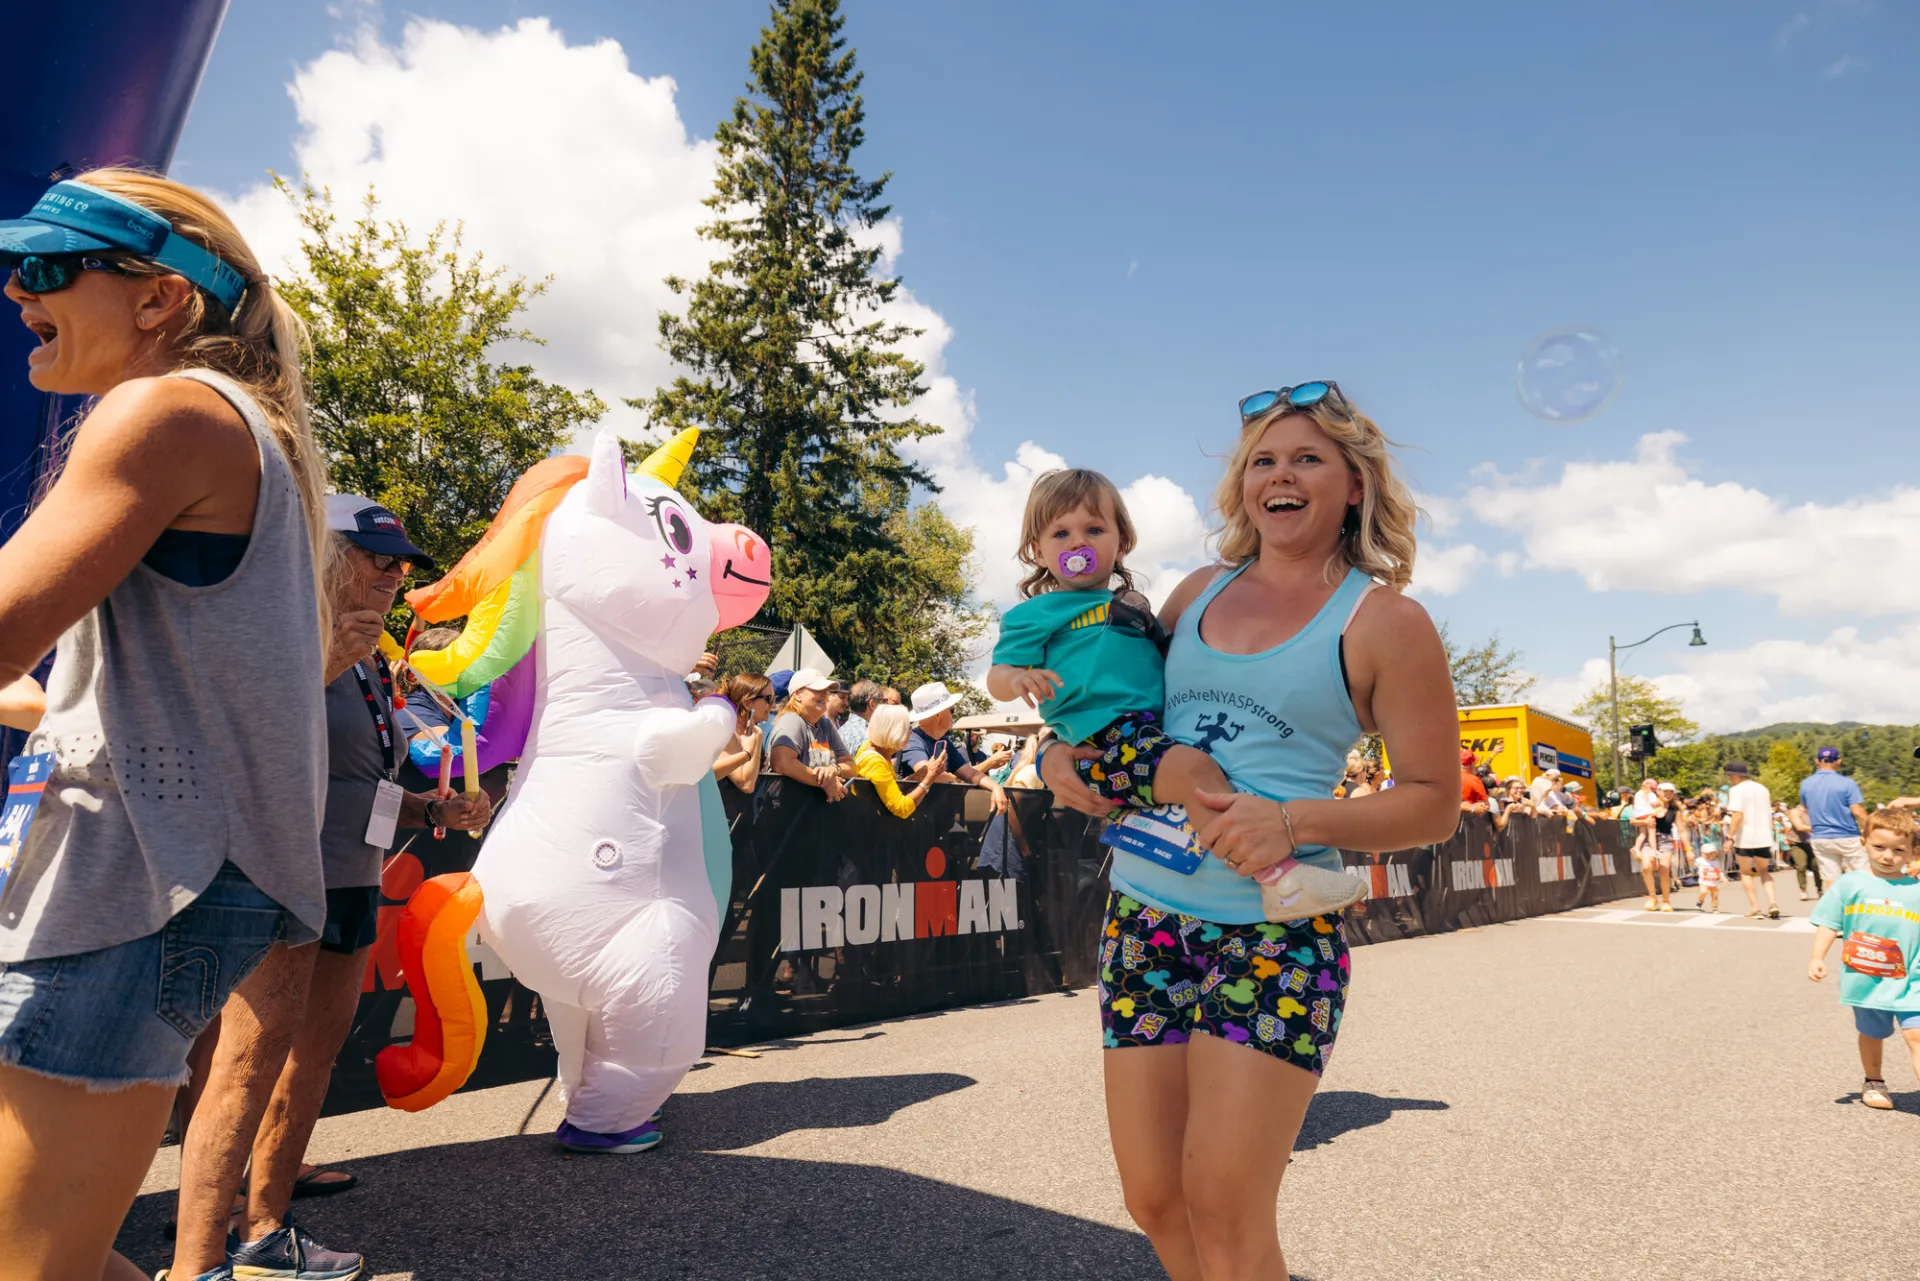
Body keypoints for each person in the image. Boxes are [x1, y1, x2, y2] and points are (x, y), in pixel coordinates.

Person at [1038, 379, 1458, 1279]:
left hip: (1276, 934)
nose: (1282, 474)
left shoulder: (1386, 619)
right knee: (1153, 1198)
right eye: (1263, 460)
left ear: (1355, 484)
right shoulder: (1193, 593)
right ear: (1242, 486)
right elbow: (1106, 706)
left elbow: (1433, 800)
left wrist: (1294, 818)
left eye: (1308, 457)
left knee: (1226, 1205)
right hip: (1145, 918)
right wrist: (1051, 757)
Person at [0, 169, 333, 1281]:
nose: (14, 288)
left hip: (135, 884)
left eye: (48, 267)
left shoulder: (170, 410)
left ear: (159, 300)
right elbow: (143, 694)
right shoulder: (228, 428)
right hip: (145, 878)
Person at [190, 499, 494, 1276]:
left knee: (314, 1053)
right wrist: (326, 655)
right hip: (280, 875)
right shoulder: (284, 627)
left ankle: (263, 1228)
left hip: (351, 875)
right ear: (324, 556)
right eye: (378, 557)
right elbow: (235, 732)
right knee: (246, 1058)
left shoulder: (368, 653)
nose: (395, 575)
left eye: (402, 564)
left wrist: (434, 807)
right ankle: (200, 1252)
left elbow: (366, 778)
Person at [988, 467, 1361, 919]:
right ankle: (1278, 878)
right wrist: (1019, 683)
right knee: (1192, 771)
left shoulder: (1132, 608)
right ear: (1037, 550)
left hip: (1150, 729)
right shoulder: (1037, 613)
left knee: (1197, 771)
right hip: (1103, 735)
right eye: (1060, 532)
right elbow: (998, 674)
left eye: (1094, 529)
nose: (1077, 544)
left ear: (1121, 541)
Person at [1806, 809, 1920, 1110]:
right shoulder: (1849, 884)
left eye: (1899, 850)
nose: (1888, 856)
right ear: (1863, 842)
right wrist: (1817, 956)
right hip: (1867, 978)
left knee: (1917, 1034)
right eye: (1879, 847)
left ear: (1913, 852)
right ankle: (1874, 1081)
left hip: (1912, 978)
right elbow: (1830, 923)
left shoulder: (1916, 888)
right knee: (1872, 1033)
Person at [899, 682, 1008, 815]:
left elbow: (971, 773)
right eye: (952, 710)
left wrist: (995, 787)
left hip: (938, 818)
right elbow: (925, 771)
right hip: (915, 821)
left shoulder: (944, 741)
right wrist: (955, 779)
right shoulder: (913, 740)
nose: (953, 715)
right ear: (938, 715)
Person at [767, 668, 856, 801]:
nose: (825, 694)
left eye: (826, 690)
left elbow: (851, 766)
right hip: (787, 814)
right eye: (817, 690)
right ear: (797, 694)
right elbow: (781, 762)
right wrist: (825, 782)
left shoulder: (825, 724)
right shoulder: (792, 720)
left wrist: (833, 770)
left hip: (815, 814)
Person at [852, 704, 942, 817]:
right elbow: (901, 808)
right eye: (907, 728)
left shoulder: (874, 749)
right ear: (894, 731)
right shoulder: (874, 761)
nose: (911, 733)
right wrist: (929, 779)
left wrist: (916, 776)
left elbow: (888, 790)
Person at [1801, 746, 1869, 885]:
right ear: (1838, 761)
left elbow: (1806, 809)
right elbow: (1857, 811)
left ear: (1816, 761)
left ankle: (1836, 905)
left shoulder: (1805, 784)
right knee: (1864, 875)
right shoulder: (1847, 783)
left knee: (1831, 879)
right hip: (1847, 835)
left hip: (1820, 837)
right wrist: (1870, 830)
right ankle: (1864, 903)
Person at [1724, 761, 1780, 919]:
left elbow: (1737, 815)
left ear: (1734, 775)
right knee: (1764, 871)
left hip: (1745, 837)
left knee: (1746, 872)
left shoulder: (1736, 790)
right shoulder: (1762, 789)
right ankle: (1772, 901)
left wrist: (1730, 837)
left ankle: (1755, 908)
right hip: (1764, 836)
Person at [713, 673, 773, 796]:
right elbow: (746, 784)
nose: (773, 705)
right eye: (769, 699)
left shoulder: (754, 732)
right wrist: (750, 750)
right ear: (747, 703)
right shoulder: (726, 731)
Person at [1639, 782, 1677, 911]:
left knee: (1664, 869)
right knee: (1646, 867)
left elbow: (1682, 830)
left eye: (1671, 792)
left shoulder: (1674, 809)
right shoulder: (1647, 805)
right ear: (1658, 792)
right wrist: (1644, 821)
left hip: (1666, 839)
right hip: (1648, 838)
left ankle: (1666, 900)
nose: (1668, 794)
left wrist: (1688, 849)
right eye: (1665, 791)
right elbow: (1633, 820)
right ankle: (1652, 896)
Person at [1784, 797, 1821, 900]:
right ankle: (1803, 890)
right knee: (1801, 865)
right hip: (1797, 843)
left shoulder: (1815, 811)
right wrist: (1819, 828)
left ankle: (1819, 889)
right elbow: (1799, 826)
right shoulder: (1795, 812)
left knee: (1816, 866)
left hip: (1813, 843)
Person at [1689, 809, 1723, 913]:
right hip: (1704, 880)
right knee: (1703, 891)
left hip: (1714, 880)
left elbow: (1719, 871)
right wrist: (1690, 860)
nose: (1709, 856)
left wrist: (1724, 878)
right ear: (1703, 854)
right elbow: (1693, 865)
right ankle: (1700, 900)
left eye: (1711, 854)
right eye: (1707, 854)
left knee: (1715, 894)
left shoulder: (1716, 862)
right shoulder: (1700, 860)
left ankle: (1714, 907)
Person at [839, 679, 882, 755]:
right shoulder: (869, 737)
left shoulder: (840, 731)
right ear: (872, 704)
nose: (885, 706)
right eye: (882, 701)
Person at [1459, 749, 1490, 815]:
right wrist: (1473, 807)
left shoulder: (1448, 778)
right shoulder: (1474, 780)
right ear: (1471, 764)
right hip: (1467, 821)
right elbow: (1486, 806)